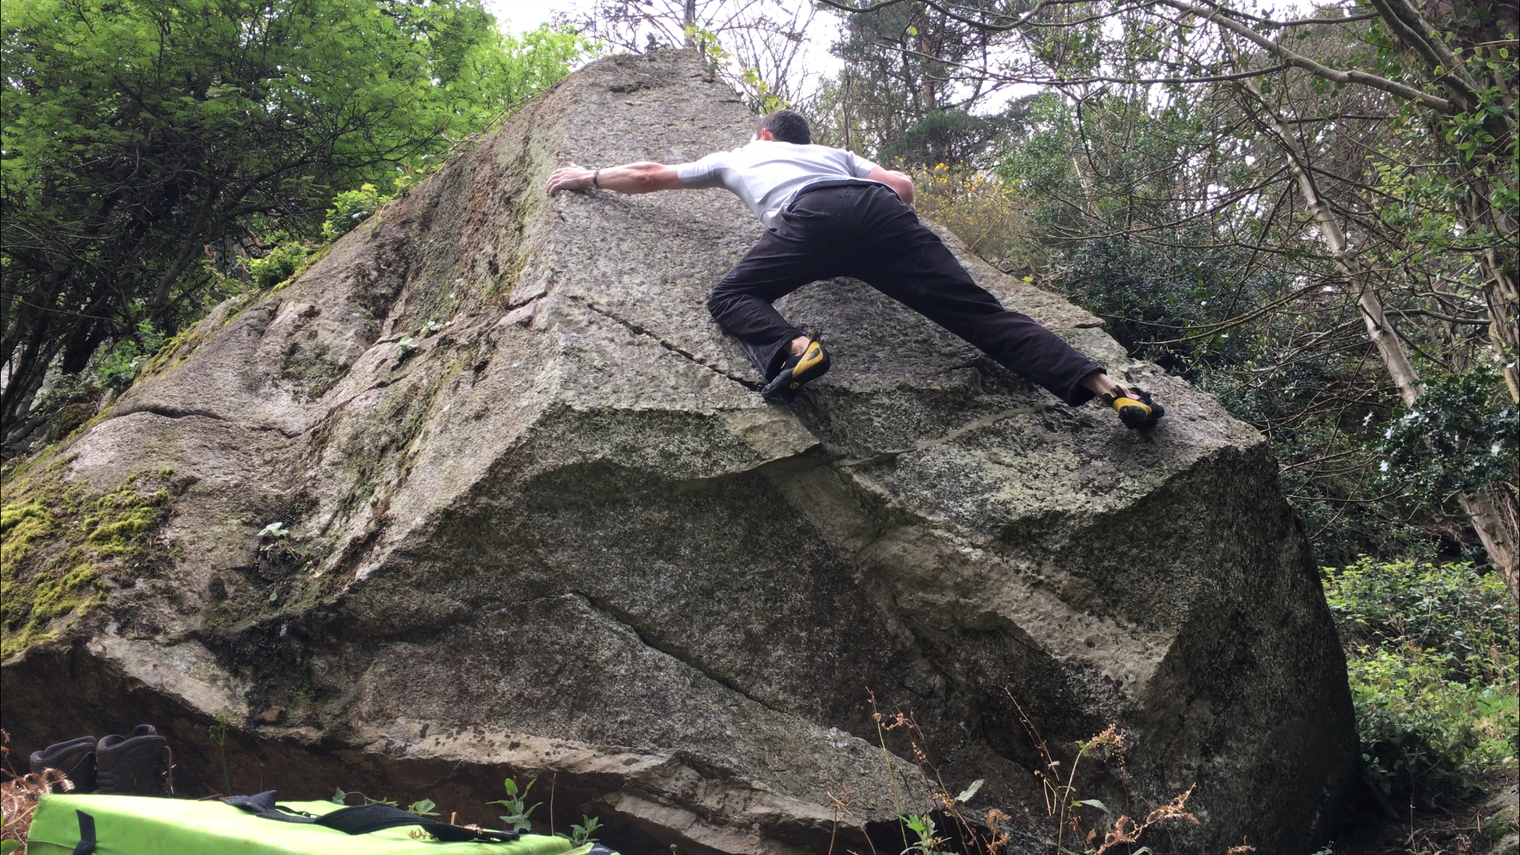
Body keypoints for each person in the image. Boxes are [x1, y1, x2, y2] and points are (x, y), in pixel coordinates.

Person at [545, 109, 1164, 428]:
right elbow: (901, 185)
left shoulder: (739, 155)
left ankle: (797, 348)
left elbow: (650, 176)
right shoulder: (834, 152)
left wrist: (589, 176)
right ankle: (1113, 393)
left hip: (811, 219)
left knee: (731, 296)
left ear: (764, 136)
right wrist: (890, 238)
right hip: (881, 215)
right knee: (982, 316)